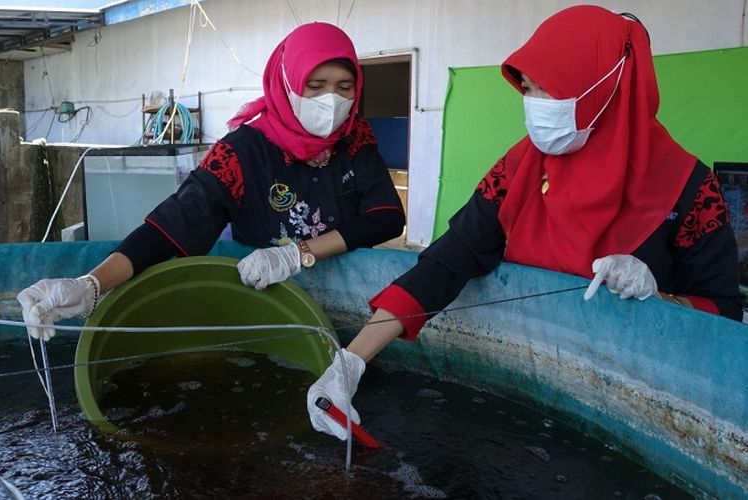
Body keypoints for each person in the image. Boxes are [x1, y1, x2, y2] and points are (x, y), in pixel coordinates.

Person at [307, 5, 743, 441]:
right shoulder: (520, 169)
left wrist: (662, 298)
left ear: (607, 88)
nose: (534, 107)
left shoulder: (689, 190)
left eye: (548, 91)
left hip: (641, 414)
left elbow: (725, 311)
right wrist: (350, 363)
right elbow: (447, 260)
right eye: (528, 90)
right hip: (527, 390)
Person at [17, 22, 405, 341]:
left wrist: (298, 253)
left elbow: (386, 216)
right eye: (315, 86)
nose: (331, 101)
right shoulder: (242, 152)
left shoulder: (355, 139)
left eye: (344, 87)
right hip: (263, 299)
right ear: (286, 83)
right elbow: (173, 225)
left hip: (339, 298)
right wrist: (91, 285)